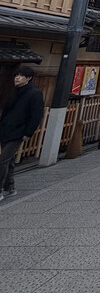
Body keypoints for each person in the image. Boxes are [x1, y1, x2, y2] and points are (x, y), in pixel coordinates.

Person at [0, 66, 44, 201]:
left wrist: (28, 132)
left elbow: (36, 115)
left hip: (19, 131)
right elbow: (6, 111)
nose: (17, 78)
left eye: (20, 76)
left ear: (28, 78)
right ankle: (10, 187)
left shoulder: (34, 93)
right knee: (9, 160)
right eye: (16, 75)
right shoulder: (14, 91)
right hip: (6, 129)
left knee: (3, 160)